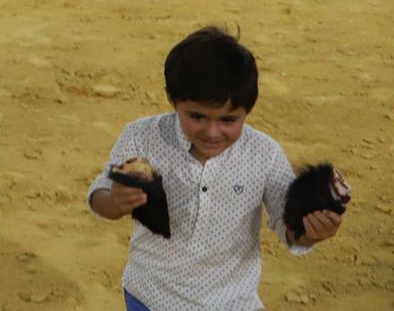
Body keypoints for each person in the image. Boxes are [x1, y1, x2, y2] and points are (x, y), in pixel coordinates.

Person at [87, 28, 343, 311]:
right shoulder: (142, 136)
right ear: (173, 100)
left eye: (228, 120)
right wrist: (115, 201)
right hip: (151, 296)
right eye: (197, 116)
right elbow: (100, 195)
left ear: (248, 110)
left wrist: (311, 231)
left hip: (231, 302)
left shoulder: (264, 154)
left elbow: (290, 225)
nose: (212, 132)